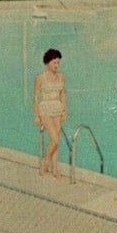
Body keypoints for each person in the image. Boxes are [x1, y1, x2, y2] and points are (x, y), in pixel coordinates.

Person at [33, 48, 67, 178]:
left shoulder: (61, 77)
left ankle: (55, 170)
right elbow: (36, 97)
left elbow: (63, 94)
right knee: (55, 139)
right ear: (48, 62)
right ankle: (46, 163)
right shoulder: (40, 78)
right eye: (54, 63)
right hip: (45, 109)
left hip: (57, 108)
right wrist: (36, 115)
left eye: (58, 63)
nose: (57, 66)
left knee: (56, 143)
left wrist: (64, 110)